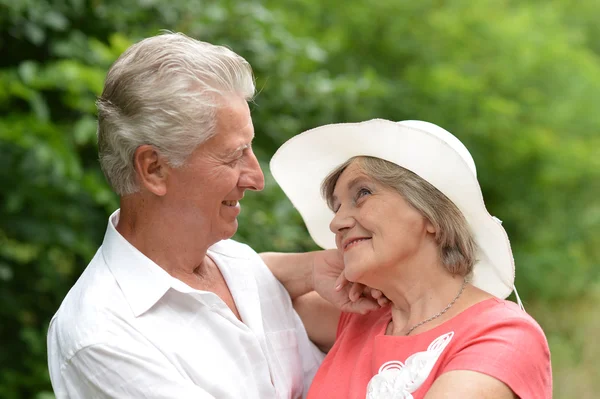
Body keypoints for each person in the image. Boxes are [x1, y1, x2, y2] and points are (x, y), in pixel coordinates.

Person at [47, 32, 375, 399]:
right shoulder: (103, 335)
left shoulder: (236, 261)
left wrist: (305, 269)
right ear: (154, 169)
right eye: (234, 156)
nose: (256, 179)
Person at [266, 119, 552, 398]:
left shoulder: (502, 334)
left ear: (431, 213)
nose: (336, 223)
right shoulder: (358, 319)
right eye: (337, 207)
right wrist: (310, 269)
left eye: (362, 193)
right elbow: (234, 287)